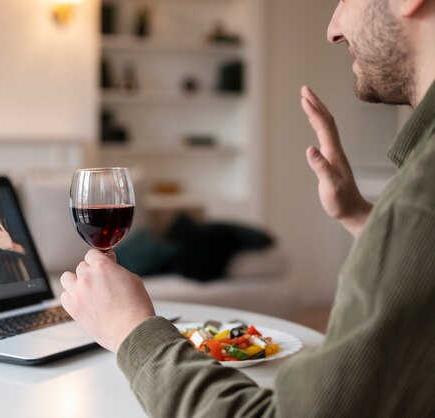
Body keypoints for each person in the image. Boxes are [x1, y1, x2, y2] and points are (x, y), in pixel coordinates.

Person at [59, 0, 435, 416]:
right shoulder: (419, 201)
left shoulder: (422, 198)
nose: (332, 28)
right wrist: (363, 218)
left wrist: (132, 331)